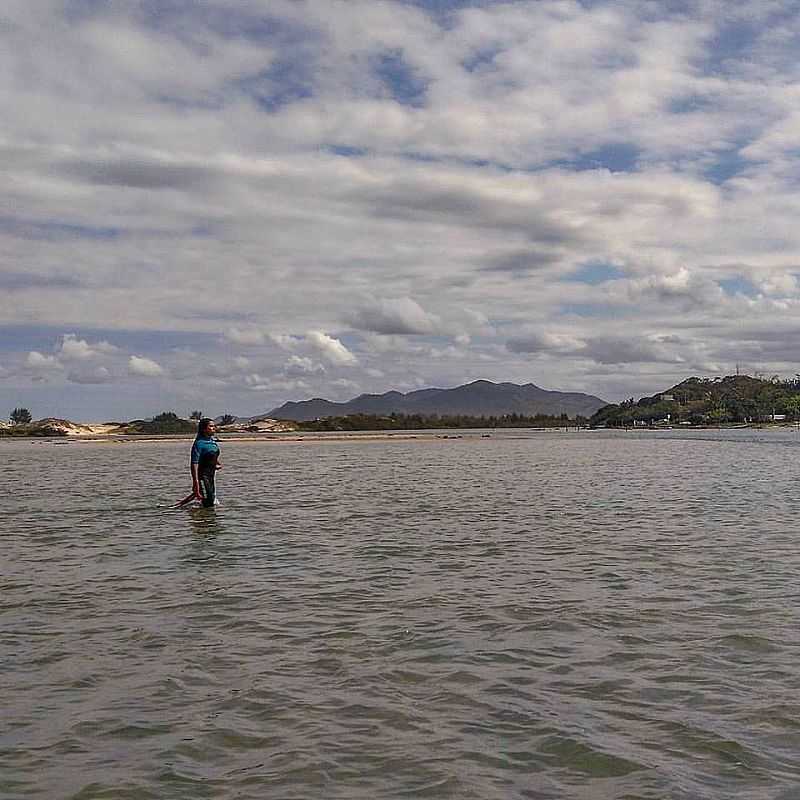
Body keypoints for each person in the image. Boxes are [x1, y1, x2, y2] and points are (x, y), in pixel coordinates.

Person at [190, 418, 221, 507]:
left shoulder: (212, 442)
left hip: (211, 477)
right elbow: (194, 464)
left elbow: (211, 456)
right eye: (211, 426)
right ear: (204, 429)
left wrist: (217, 464)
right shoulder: (199, 444)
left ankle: (203, 517)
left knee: (211, 500)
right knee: (208, 502)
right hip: (202, 477)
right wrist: (195, 483)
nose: (214, 428)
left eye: (214, 426)